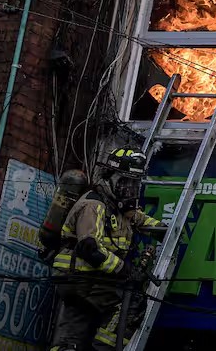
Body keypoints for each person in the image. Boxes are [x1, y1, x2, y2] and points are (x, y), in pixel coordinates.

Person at [49, 148, 167, 351]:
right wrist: (127, 271)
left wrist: (165, 231)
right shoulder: (94, 205)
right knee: (132, 302)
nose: (129, 188)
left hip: (87, 279)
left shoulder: (117, 206)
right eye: (124, 181)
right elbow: (89, 249)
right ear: (109, 177)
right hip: (82, 277)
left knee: (73, 336)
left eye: (133, 184)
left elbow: (140, 219)